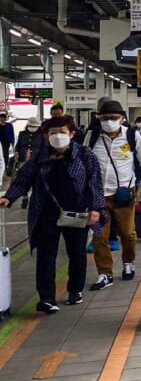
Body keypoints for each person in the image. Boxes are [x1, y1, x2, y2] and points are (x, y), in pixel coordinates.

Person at [0, 116, 104, 312]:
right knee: (46, 256)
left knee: (77, 254)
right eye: (52, 133)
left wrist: (95, 209)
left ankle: (75, 290)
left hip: (77, 213)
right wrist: (9, 197)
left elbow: (94, 183)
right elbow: (24, 179)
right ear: (46, 136)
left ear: (72, 134)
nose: (57, 136)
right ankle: (46, 298)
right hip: (46, 213)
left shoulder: (84, 155)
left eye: (62, 132)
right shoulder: (40, 157)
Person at [86, 100, 141, 287]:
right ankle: (105, 274)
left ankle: (128, 262)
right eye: (105, 118)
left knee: (128, 233)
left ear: (122, 118)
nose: (109, 122)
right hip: (98, 195)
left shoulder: (132, 135)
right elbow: (82, 162)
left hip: (125, 193)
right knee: (99, 236)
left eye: (113, 118)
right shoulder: (92, 137)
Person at [13, 118, 43, 208]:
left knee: (36, 181)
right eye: (30, 126)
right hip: (23, 160)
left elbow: (44, 148)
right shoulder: (22, 134)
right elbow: (18, 146)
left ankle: (35, 199)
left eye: (34, 126)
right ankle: (25, 197)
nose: (32, 128)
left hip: (36, 162)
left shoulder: (42, 135)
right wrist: (16, 152)